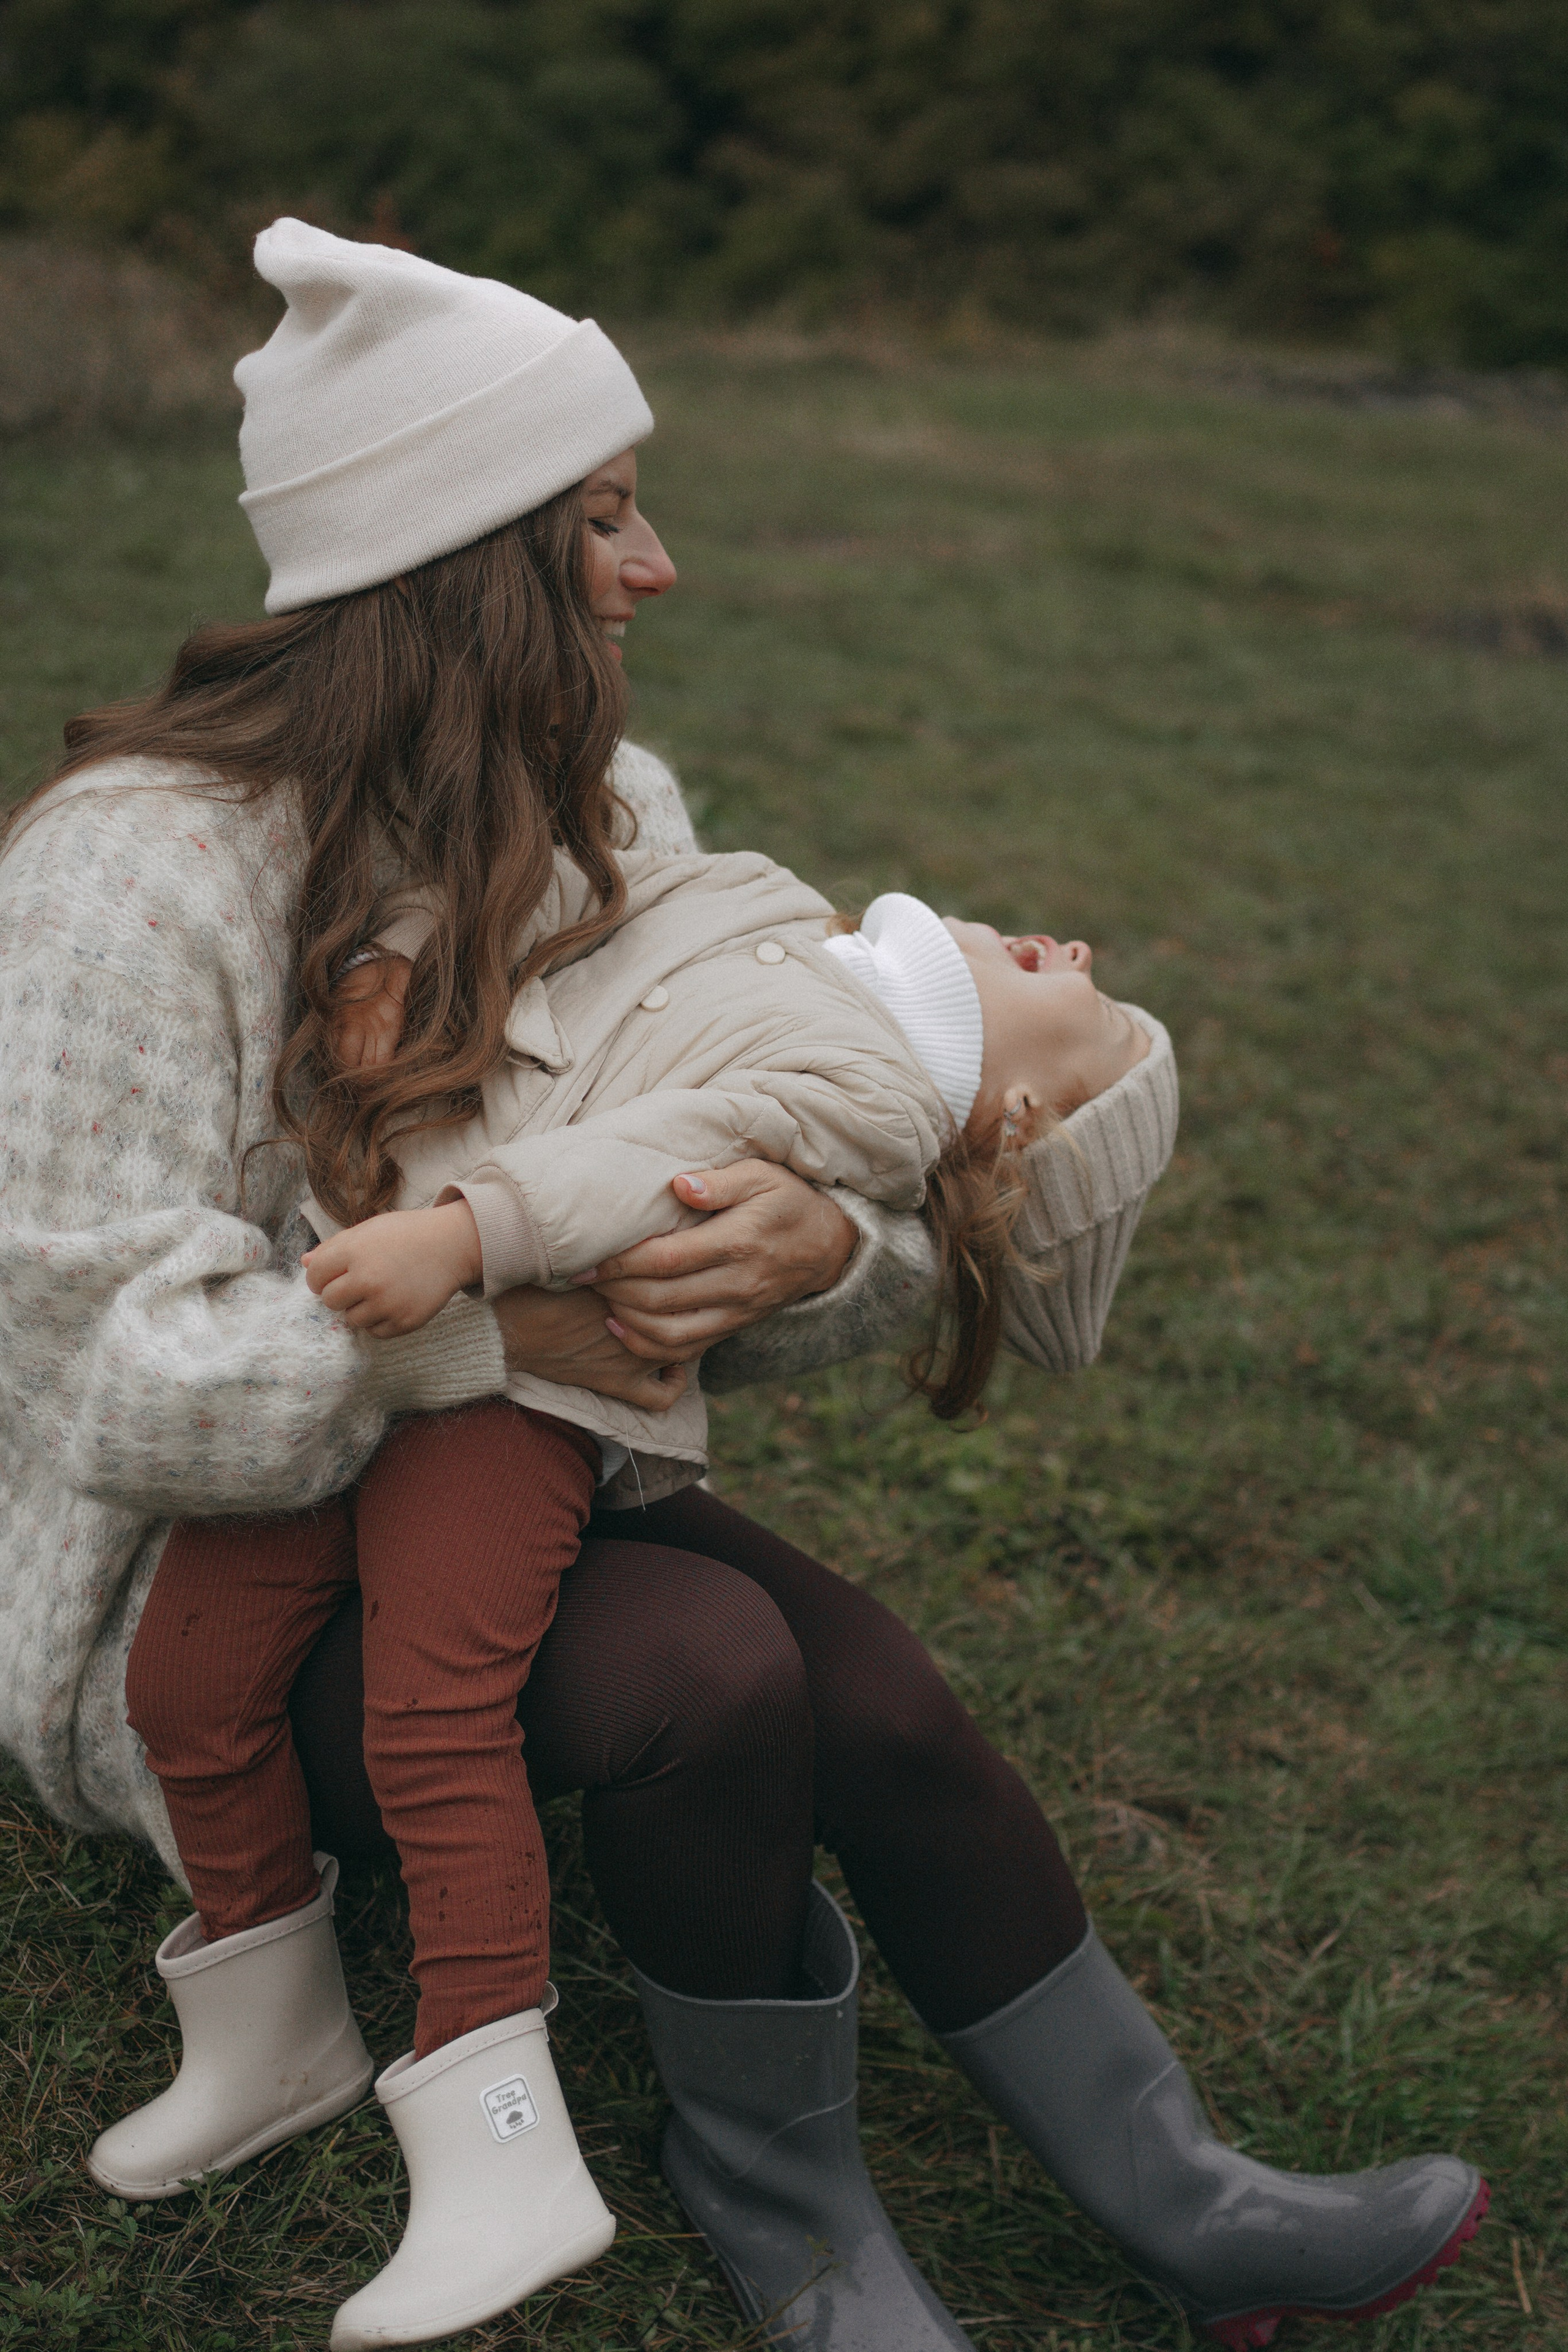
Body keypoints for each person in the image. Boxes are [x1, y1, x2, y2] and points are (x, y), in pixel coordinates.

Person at [0, 219, 1485, 2352]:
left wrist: (824, 1251)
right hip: (187, 1590)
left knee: (868, 1686)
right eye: (602, 519)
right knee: (711, 1668)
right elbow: (111, 1390)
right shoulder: (126, 875)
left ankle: (1183, 2188)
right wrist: (504, 1327)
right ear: (459, 561)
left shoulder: (597, 816)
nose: (658, 565)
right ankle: (790, 2222)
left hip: (493, 1489)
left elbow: (780, 1159)